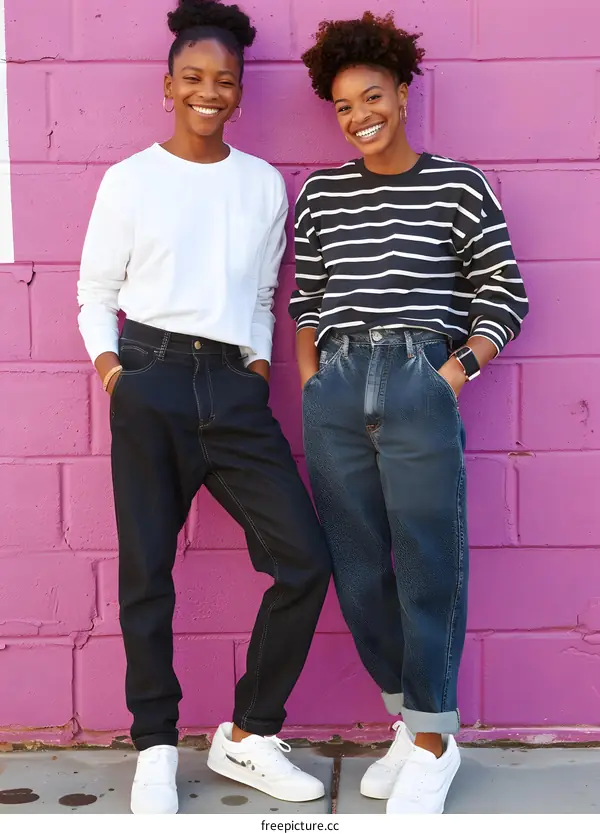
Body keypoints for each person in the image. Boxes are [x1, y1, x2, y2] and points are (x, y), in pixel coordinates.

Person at [77, 0, 330, 815]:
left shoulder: (262, 186)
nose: (208, 92)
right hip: (147, 377)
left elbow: (261, 293)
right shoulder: (130, 179)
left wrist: (255, 366)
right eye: (193, 78)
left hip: (232, 387)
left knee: (304, 559)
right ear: (168, 85)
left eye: (224, 80)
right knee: (147, 573)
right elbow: (94, 295)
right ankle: (155, 744)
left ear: (241, 89)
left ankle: (250, 735)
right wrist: (117, 373)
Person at [291, 11, 528, 815]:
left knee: (428, 564)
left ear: (401, 92)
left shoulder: (458, 184)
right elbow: (308, 303)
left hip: (419, 375)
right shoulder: (320, 194)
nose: (360, 116)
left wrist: (450, 374)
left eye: (373, 96)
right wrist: (313, 382)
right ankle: (411, 718)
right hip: (336, 391)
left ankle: (432, 742)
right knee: (358, 572)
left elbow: (505, 296)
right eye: (344, 105)